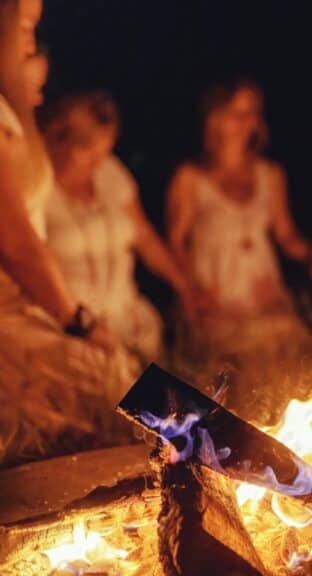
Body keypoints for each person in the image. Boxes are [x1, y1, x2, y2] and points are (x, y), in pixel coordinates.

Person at [0, 0, 137, 467]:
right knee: (110, 397)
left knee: (122, 388)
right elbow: (18, 245)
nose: (30, 43)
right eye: (24, 26)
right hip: (10, 316)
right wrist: (77, 320)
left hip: (27, 307)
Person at [43, 92, 204, 362]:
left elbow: (144, 237)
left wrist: (183, 285)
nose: (97, 161)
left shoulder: (110, 173)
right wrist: (80, 323)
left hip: (130, 323)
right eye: (87, 152)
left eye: (105, 150)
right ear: (58, 140)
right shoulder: (39, 188)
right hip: (76, 332)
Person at [166, 79, 312, 357]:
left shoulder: (270, 174)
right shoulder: (192, 178)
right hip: (216, 291)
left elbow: (285, 234)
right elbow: (176, 242)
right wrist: (192, 288)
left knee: (288, 355)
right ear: (215, 118)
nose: (246, 122)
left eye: (252, 113)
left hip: (262, 289)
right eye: (237, 114)